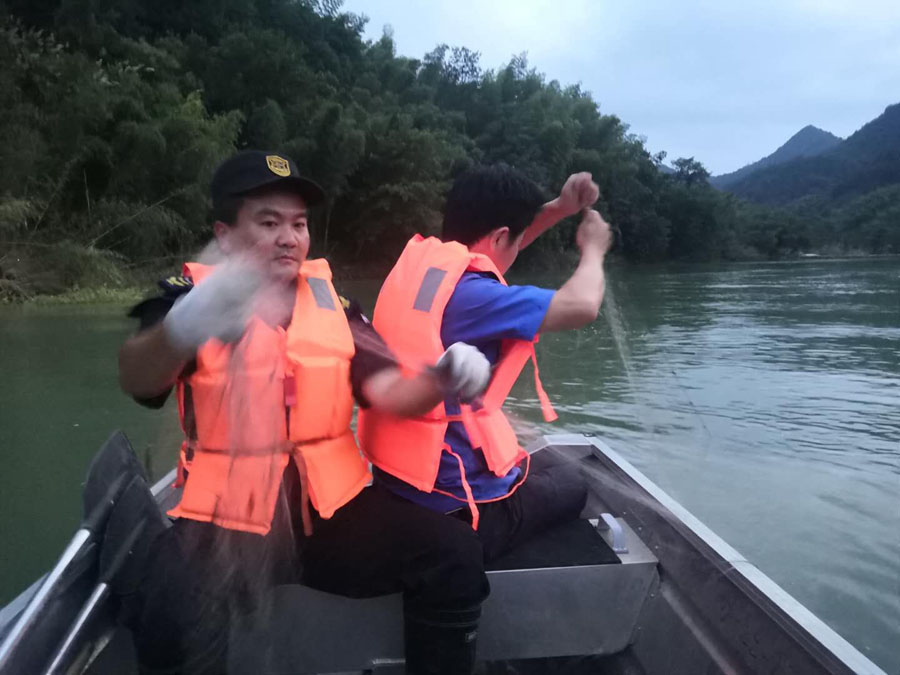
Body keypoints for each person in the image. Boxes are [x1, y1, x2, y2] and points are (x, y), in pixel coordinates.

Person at [117, 150, 492, 674]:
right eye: (269, 223)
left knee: (453, 555)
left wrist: (440, 379)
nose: (289, 238)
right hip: (222, 519)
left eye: (298, 224)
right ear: (225, 235)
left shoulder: (337, 309)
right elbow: (138, 379)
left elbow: (390, 392)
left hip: (332, 514)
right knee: (163, 608)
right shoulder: (186, 302)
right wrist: (183, 327)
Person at [302, 164, 615, 675]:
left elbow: (502, 241)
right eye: (516, 239)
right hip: (456, 506)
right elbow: (582, 305)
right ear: (500, 235)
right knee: (570, 482)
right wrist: (594, 249)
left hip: (401, 481)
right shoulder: (475, 296)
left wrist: (559, 209)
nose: (518, 250)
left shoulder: (421, 269)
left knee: (528, 460)